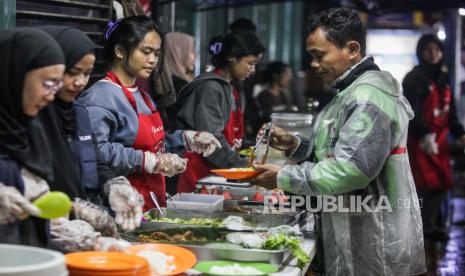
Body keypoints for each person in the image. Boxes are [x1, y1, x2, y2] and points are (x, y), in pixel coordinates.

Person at [253, 8, 426, 275]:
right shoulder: (349, 91)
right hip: (354, 230)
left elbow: (350, 170)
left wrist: (283, 177)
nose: (313, 64)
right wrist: (295, 145)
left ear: (352, 49)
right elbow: (337, 152)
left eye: (319, 55)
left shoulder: (368, 97)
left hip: (373, 240)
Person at [78, 16, 220, 210]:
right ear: (120, 51)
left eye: (156, 53)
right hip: (122, 207)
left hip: (152, 202)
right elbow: (96, 152)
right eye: (146, 52)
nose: (153, 60)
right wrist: (149, 161)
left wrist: (186, 139)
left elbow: (154, 144)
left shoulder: (144, 96)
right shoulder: (100, 98)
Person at [37, 26, 144, 234]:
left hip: (85, 225)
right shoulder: (35, 118)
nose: (80, 82)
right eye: (72, 72)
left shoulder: (79, 113)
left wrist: (114, 184)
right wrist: (75, 210)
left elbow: (96, 161)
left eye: (87, 74)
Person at [175, 31, 265, 193]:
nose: (253, 70)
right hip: (199, 173)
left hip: (219, 171)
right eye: (250, 63)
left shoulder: (234, 88)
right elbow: (212, 140)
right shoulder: (209, 88)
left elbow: (233, 135)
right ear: (232, 58)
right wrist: (245, 167)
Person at [0, 28, 65, 246]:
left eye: (57, 85)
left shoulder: (32, 131)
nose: (52, 96)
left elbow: (38, 203)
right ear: (15, 74)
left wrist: (91, 240)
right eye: (47, 84)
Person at [403, 34, 465, 240]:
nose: (433, 54)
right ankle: (422, 230)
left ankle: (430, 226)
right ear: (420, 52)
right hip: (419, 141)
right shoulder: (413, 78)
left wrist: (460, 133)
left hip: (441, 141)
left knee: (443, 182)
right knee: (425, 185)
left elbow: (451, 110)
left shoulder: (443, 78)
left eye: (437, 50)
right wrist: (424, 134)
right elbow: (411, 112)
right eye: (428, 50)